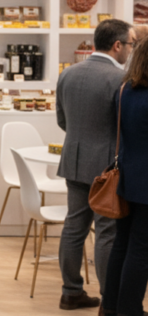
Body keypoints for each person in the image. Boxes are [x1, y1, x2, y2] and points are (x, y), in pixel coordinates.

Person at [54, 18, 133, 309]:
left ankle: (70, 291)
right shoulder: (121, 79)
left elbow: (62, 120)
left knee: (73, 226)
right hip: (107, 167)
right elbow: (127, 126)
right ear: (117, 45)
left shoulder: (68, 73)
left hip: (73, 161)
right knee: (107, 232)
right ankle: (108, 299)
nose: (130, 51)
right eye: (130, 44)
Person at [101, 37, 148, 316]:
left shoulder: (125, 90)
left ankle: (111, 306)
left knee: (123, 242)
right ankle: (130, 310)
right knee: (141, 249)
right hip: (145, 183)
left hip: (127, 176)